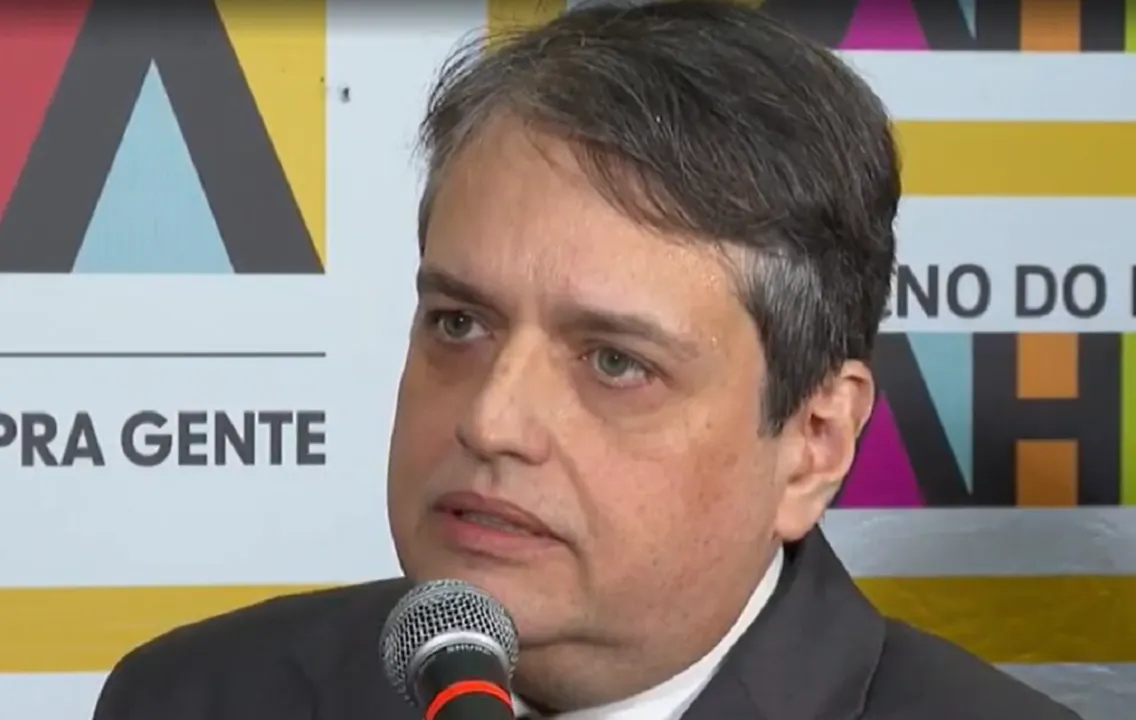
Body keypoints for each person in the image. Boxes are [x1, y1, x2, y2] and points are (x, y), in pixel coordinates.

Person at [92, 2, 1081, 718]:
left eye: (614, 362)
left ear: (812, 445)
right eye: (458, 324)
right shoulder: (199, 697)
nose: (490, 420)